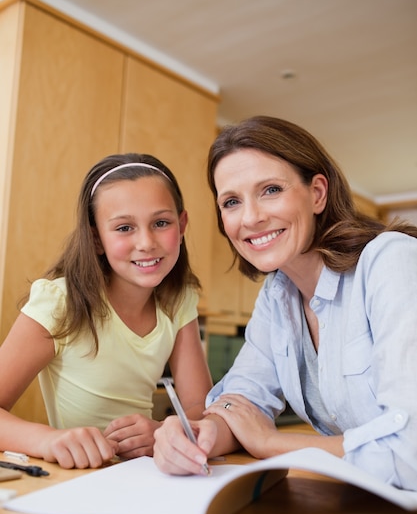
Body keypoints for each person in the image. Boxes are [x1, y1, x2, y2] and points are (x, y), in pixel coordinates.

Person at [154, 115, 417, 491]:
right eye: (231, 201)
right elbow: (243, 397)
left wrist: (272, 443)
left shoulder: (392, 262)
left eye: (271, 190)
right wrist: (198, 433)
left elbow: (411, 452)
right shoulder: (279, 295)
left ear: (317, 194)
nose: (251, 217)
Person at [0, 153, 212, 469]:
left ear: (181, 226)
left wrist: (161, 434)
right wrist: (49, 440)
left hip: (139, 474)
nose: (146, 242)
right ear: (96, 238)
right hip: (78, 477)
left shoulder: (178, 300)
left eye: (161, 223)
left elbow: (198, 409)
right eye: (125, 227)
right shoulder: (59, 302)